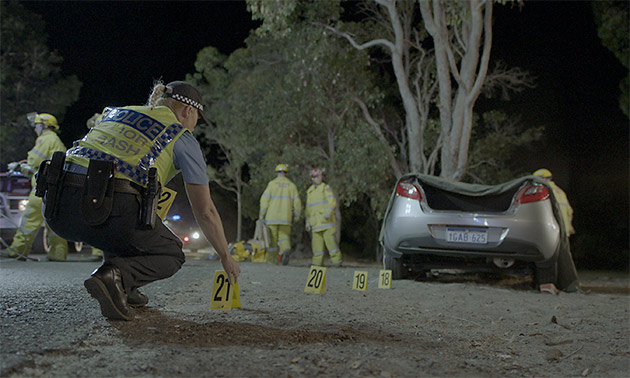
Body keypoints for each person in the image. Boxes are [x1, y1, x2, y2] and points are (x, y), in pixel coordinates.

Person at [42, 81, 241, 321]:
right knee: (171, 253)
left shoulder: (115, 113)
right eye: (197, 118)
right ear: (188, 111)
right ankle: (115, 277)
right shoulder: (181, 136)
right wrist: (225, 255)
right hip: (111, 210)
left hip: (58, 208)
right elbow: (205, 210)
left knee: (122, 218)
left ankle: (125, 287)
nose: (194, 125)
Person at [7, 113, 69, 261]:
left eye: (37, 125)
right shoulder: (57, 141)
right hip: (54, 190)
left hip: (41, 190)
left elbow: (35, 161)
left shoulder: (46, 139)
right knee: (52, 223)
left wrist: (19, 166)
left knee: (29, 220)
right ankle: (58, 254)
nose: (35, 129)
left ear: (44, 126)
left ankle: (17, 251)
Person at [259, 164, 301, 265]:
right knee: (284, 237)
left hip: (272, 217)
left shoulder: (272, 184)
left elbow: (264, 200)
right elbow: (297, 202)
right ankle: (285, 249)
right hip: (286, 217)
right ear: (286, 173)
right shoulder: (291, 185)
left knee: (272, 241)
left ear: (276, 173)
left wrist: (262, 215)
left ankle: (273, 261)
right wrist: (296, 215)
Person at [305, 168, 342, 267]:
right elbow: (308, 209)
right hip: (315, 224)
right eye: (315, 177)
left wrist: (328, 212)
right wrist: (307, 221)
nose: (317, 179)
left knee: (331, 244)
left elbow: (332, 202)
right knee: (316, 246)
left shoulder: (325, 188)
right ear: (312, 178)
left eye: (319, 176)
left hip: (327, 222)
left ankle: (337, 261)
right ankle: (317, 263)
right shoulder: (310, 191)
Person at [533, 168, 575, 236]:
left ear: (544, 179)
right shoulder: (560, 191)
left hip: (551, 231)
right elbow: (569, 211)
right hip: (564, 232)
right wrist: (569, 226)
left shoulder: (543, 190)